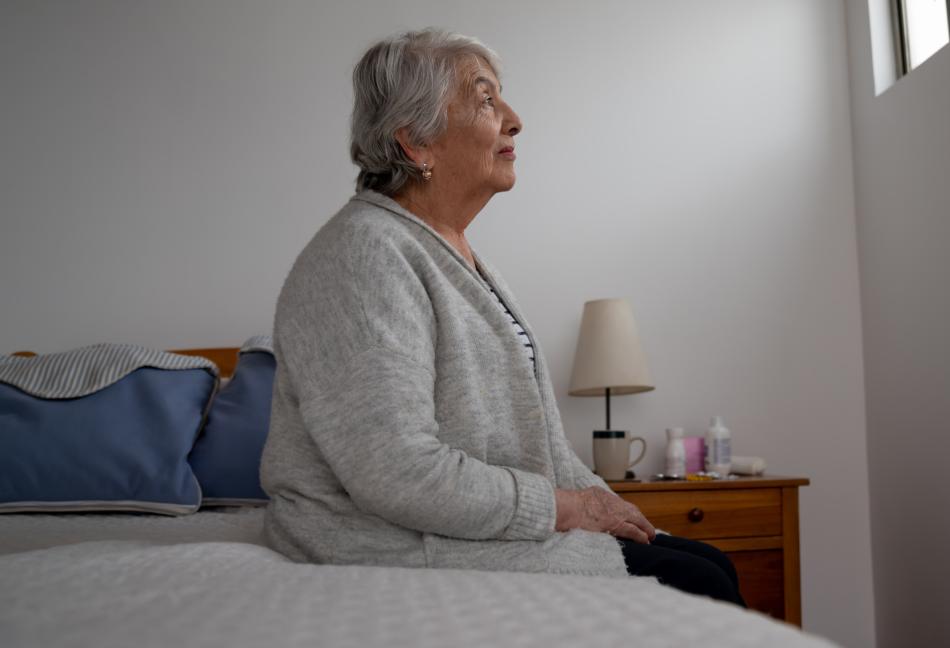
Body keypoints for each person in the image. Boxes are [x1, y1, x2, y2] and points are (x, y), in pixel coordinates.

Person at [259, 27, 743, 607]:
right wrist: (567, 509)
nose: (513, 119)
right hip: (389, 541)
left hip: (473, 528)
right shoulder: (362, 255)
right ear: (416, 143)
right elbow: (397, 472)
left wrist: (604, 502)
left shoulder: (451, 251)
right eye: (486, 100)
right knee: (701, 583)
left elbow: (540, 449)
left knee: (709, 561)